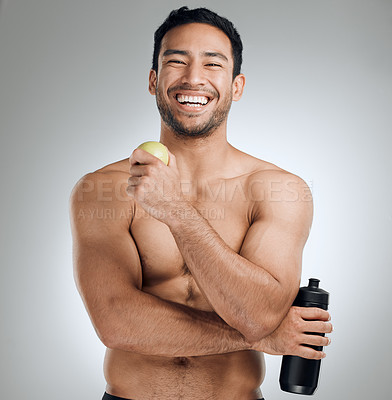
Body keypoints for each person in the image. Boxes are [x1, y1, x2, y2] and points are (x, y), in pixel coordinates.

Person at [70, 6, 332, 400]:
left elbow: (257, 314)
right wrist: (262, 339)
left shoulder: (279, 189)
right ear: (154, 81)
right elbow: (115, 321)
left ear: (237, 86)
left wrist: (176, 210)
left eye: (213, 64)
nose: (193, 78)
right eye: (176, 62)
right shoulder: (102, 188)